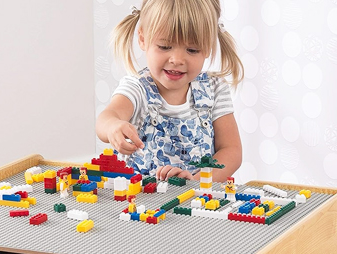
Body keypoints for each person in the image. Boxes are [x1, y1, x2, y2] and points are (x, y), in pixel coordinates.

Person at [96, 0, 243, 183]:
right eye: (165, 47)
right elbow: (107, 117)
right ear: (142, 38)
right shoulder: (138, 87)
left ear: (208, 48)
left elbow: (232, 150)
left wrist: (196, 182)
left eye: (192, 50)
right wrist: (112, 127)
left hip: (199, 200)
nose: (177, 59)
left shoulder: (214, 90)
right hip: (143, 202)